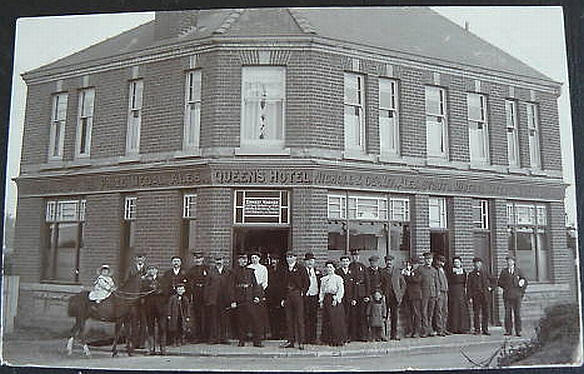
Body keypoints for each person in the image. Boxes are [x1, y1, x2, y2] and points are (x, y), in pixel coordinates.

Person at [231, 253, 263, 347]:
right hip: (240, 299)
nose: (243, 261)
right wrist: (233, 300)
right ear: (238, 261)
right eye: (241, 259)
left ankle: (257, 341)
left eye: (245, 259)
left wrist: (257, 296)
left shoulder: (250, 271)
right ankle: (241, 340)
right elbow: (231, 288)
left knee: (255, 320)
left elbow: (255, 285)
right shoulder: (233, 272)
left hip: (250, 299)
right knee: (241, 321)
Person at [280, 251, 309, 350]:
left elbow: (307, 282)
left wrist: (302, 292)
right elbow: (282, 284)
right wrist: (283, 298)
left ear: (295, 258)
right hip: (288, 295)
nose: (289, 259)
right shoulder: (284, 269)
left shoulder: (301, 268)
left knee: (299, 319)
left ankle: (301, 342)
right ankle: (290, 341)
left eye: (291, 257)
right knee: (289, 319)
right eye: (287, 257)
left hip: (297, 294)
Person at [204, 255, 232, 344]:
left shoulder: (228, 272)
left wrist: (231, 300)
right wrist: (207, 299)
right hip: (213, 299)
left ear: (223, 261)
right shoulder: (211, 272)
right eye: (217, 260)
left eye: (220, 260)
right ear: (214, 262)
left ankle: (224, 338)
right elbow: (207, 287)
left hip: (224, 299)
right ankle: (213, 338)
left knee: (224, 319)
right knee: (213, 319)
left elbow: (230, 287)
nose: (219, 262)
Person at [498, 255, 528, 337]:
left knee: (517, 313)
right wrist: (506, 287)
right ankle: (508, 330)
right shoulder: (504, 271)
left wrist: (521, 292)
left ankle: (518, 331)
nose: (509, 262)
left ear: (514, 262)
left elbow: (525, 282)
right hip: (507, 296)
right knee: (507, 314)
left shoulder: (518, 271)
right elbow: (499, 282)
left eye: (511, 261)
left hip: (517, 296)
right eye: (508, 261)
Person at [141, 265, 168, 355]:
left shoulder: (163, 279)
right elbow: (143, 293)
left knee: (162, 327)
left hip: (161, 308)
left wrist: (160, 291)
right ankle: (151, 349)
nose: (152, 271)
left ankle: (162, 348)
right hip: (149, 308)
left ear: (157, 270)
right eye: (150, 269)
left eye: (153, 269)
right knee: (150, 328)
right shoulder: (145, 282)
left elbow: (167, 291)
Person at [319, 261, 346, 347]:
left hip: (334, 299)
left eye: (331, 267)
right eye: (327, 267)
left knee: (336, 320)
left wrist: (337, 299)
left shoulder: (338, 278)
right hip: (327, 298)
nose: (329, 269)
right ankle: (328, 339)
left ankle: (338, 340)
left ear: (334, 268)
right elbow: (322, 291)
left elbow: (341, 290)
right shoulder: (323, 279)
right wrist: (321, 300)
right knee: (327, 319)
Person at [124, 254, 148, 348]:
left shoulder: (147, 270)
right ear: (135, 259)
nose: (140, 259)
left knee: (143, 321)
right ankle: (133, 343)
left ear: (144, 259)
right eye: (138, 257)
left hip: (143, 300)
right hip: (133, 300)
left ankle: (141, 343)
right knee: (133, 321)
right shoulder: (130, 269)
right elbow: (126, 282)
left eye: (141, 257)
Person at [381, 255, 406, 340]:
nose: (389, 262)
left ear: (393, 261)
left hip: (395, 297)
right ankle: (385, 334)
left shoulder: (397, 271)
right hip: (386, 297)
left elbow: (403, 284)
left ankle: (394, 334)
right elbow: (380, 285)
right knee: (385, 316)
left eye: (390, 261)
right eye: (387, 261)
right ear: (385, 262)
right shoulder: (383, 271)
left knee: (394, 316)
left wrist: (400, 294)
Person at [186, 252, 208, 343]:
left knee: (206, 316)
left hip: (205, 293)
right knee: (197, 316)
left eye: (200, 258)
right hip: (196, 293)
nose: (198, 260)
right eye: (196, 258)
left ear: (202, 259)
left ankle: (206, 336)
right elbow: (188, 283)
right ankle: (197, 336)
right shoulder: (191, 270)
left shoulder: (207, 269)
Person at [467, 257, 492, 335]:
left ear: (481, 264)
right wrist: (470, 297)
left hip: (485, 295)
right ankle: (477, 329)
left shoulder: (485, 273)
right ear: (473, 265)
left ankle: (485, 329)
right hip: (476, 296)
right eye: (475, 263)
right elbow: (469, 286)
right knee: (476, 313)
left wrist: (490, 288)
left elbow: (494, 280)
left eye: (478, 263)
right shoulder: (471, 274)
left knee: (486, 313)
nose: (477, 265)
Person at [349, 249, 370, 341]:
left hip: (362, 293)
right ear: (351, 257)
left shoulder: (363, 267)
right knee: (353, 315)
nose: (355, 257)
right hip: (353, 294)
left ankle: (363, 336)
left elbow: (367, 281)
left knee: (362, 315)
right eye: (353, 256)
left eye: (357, 256)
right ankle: (353, 335)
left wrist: (367, 295)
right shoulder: (349, 267)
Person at [247, 252, 269, 339]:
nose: (254, 259)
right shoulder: (248, 268)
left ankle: (261, 334)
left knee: (260, 313)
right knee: (251, 313)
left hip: (260, 290)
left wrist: (261, 291)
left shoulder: (263, 268)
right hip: (250, 291)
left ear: (259, 258)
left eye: (256, 257)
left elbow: (265, 281)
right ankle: (250, 333)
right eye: (252, 258)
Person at [447, 256, 471, 334]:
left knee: (462, 310)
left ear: (460, 263)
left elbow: (465, 281)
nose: (456, 264)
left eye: (458, 262)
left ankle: (463, 328)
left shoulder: (463, 271)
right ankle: (454, 328)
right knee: (454, 309)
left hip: (461, 292)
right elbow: (450, 280)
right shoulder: (450, 271)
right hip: (453, 292)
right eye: (455, 262)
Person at [418, 252, 439, 338]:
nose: (428, 261)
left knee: (431, 313)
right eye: (427, 259)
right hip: (424, 294)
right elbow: (418, 283)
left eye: (430, 259)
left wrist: (437, 293)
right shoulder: (421, 269)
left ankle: (430, 329)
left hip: (432, 294)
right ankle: (424, 330)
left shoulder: (434, 270)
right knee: (424, 313)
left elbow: (437, 283)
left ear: (432, 260)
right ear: (424, 260)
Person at [336, 255, 355, 343]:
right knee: (340, 318)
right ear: (340, 262)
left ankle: (348, 336)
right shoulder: (337, 272)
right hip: (340, 299)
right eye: (343, 261)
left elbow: (355, 286)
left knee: (349, 318)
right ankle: (341, 336)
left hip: (349, 299)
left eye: (347, 261)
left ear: (349, 262)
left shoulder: (352, 272)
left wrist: (354, 298)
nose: (345, 263)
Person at [303, 252, 321, 344]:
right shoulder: (302, 272)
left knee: (313, 318)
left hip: (314, 297)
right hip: (305, 297)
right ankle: (305, 338)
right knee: (305, 317)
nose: (310, 262)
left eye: (311, 261)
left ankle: (313, 338)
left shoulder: (317, 272)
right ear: (305, 262)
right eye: (308, 261)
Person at [402, 258, 422, 338]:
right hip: (407, 295)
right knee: (408, 314)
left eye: (416, 263)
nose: (415, 265)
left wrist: (409, 274)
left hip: (416, 295)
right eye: (413, 263)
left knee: (416, 313)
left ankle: (417, 331)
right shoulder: (407, 271)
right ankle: (410, 331)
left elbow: (417, 280)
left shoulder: (419, 272)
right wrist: (406, 274)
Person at [266, 257, 286, 339]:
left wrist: (283, 297)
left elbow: (284, 283)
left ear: (278, 260)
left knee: (280, 315)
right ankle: (273, 333)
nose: (273, 261)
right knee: (271, 315)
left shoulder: (282, 270)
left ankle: (280, 333)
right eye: (272, 260)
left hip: (279, 296)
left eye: (275, 260)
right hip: (270, 297)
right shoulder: (268, 270)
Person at [433, 255, 449, 337]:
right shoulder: (435, 270)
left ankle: (444, 328)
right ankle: (439, 329)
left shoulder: (443, 270)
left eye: (443, 261)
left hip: (445, 292)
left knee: (445, 311)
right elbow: (436, 282)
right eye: (440, 261)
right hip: (440, 292)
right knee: (439, 311)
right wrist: (437, 292)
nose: (442, 263)